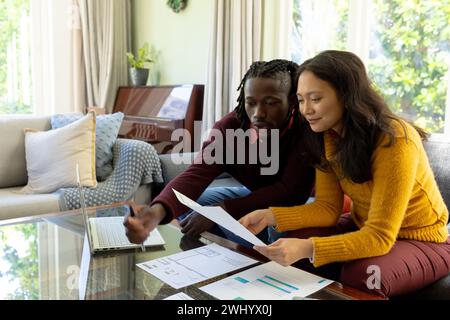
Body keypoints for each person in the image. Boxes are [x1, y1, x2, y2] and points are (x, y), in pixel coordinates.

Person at [239, 50, 450, 298]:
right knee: (287, 239)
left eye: (315, 98)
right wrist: (269, 215)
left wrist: (308, 248)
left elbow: (380, 236)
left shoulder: (395, 138)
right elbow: (327, 209)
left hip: (424, 239)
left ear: (347, 96)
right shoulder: (327, 136)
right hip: (364, 225)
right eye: (301, 100)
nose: (306, 110)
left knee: (364, 275)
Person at [124, 59, 315, 247]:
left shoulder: (305, 128)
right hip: (254, 195)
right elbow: (196, 174)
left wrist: (222, 210)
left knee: (280, 230)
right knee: (191, 206)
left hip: (294, 206)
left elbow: (290, 193)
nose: (258, 113)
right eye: (251, 102)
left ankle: (258, 248)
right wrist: (155, 213)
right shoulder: (230, 127)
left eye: (271, 103)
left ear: (291, 101)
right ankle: (241, 250)